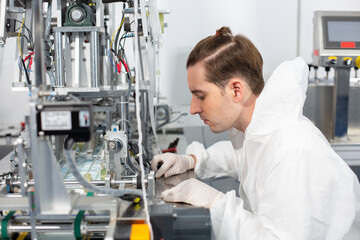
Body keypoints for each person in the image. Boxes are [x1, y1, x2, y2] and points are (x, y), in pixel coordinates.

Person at [151, 27, 360, 239]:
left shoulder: (292, 152)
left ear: (236, 90)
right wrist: (193, 159)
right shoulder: (260, 131)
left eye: (201, 96)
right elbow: (241, 156)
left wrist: (216, 203)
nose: (193, 108)